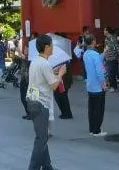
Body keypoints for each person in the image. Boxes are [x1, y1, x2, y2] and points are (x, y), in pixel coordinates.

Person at [25, 34, 67, 170]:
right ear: (47, 47)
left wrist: (54, 72)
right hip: (40, 103)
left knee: (42, 136)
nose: (53, 48)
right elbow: (54, 86)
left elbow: (43, 78)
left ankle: (47, 166)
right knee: (41, 139)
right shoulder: (44, 63)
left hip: (32, 101)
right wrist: (60, 74)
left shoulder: (36, 61)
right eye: (52, 45)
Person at [82, 34, 107, 136]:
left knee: (91, 108)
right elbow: (99, 71)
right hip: (97, 86)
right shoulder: (95, 55)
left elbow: (95, 63)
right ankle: (97, 130)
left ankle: (92, 128)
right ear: (93, 41)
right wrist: (103, 84)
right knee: (99, 109)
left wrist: (104, 53)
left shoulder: (86, 54)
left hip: (90, 85)